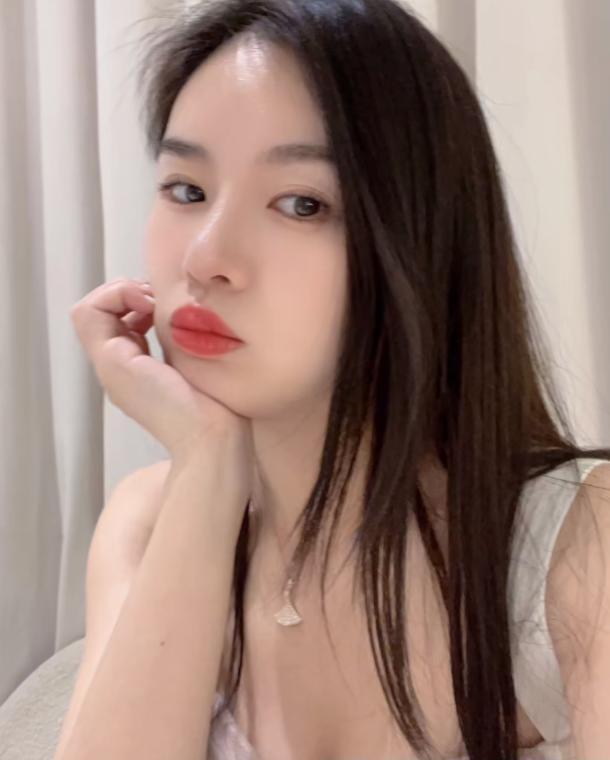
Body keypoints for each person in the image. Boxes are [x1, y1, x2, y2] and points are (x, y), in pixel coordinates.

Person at [59, 1, 610, 759]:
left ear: (419, 243)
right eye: (186, 190)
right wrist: (208, 467)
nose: (205, 259)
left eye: (302, 204)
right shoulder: (146, 521)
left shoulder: (580, 542)